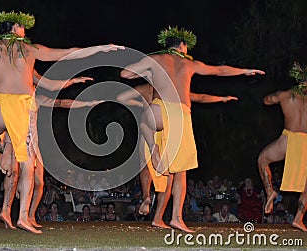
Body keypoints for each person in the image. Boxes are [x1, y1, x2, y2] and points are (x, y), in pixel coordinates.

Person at [0, 10, 121, 233]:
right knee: (28, 165)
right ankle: (23, 217)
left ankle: (4, 147)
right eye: (23, 27)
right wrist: (100, 49)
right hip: (21, 107)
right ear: (16, 28)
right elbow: (66, 53)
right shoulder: (28, 49)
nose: (25, 31)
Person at [120, 25, 264, 232]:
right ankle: (177, 217)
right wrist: (245, 71)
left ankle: (153, 146)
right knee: (180, 173)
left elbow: (125, 74)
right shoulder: (190, 65)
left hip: (158, 108)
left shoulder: (156, 60)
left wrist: (148, 70)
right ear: (182, 45)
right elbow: (218, 71)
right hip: (179, 113)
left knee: (145, 121)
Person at [117, 82, 238, 228]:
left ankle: (146, 197)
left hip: (149, 127)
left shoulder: (145, 88)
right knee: (169, 177)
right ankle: (157, 216)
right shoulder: (171, 90)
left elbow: (121, 98)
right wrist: (221, 98)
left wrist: (141, 104)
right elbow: (199, 97)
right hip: (164, 131)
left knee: (145, 164)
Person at [257, 61, 307, 231]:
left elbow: (266, 100)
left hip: (288, 138)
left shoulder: (286, 95)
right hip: (305, 141)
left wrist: (278, 96)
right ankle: (298, 218)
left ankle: (270, 190)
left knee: (263, 159)